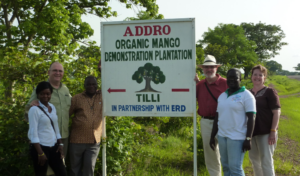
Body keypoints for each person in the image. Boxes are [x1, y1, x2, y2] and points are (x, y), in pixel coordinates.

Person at [26, 62, 71, 175]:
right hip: (43, 141)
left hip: (62, 136)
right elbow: (29, 110)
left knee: (60, 167)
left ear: (63, 73)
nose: (57, 73)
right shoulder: (41, 88)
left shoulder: (65, 89)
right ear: (49, 72)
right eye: (55, 70)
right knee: (47, 171)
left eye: (60, 71)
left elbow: (71, 107)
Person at [210, 68, 256, 176]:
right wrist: (212, 136)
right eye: (229, 77)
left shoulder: (247, 95)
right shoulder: (222, 96)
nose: (232, 80)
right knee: (226, 167)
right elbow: (217, 117)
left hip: (237, 138)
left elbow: (252, 117)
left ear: (240, 78)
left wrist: (248, 138)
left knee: (235, 168)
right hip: (222, 136)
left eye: (235, 77)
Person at [194, 55, 227, 176]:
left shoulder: (226, 84)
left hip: (224, 122)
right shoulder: (200, 85)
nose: (209, 69)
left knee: (227, 152)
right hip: (206, 122)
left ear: (216, 68)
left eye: (212, 67)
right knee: (210, 153)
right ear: (203, 69)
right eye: (206, 67)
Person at [248, 65, 281, 176]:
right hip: (252, 134)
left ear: (264, 77)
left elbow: (276, 112)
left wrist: (273, 131)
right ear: (251, 76)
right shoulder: (247, 93)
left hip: (266, 133)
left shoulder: (269, 92)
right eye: (255, 74)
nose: (257, 77)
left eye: (260, 75)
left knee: (266, 161)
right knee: (255, 162)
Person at [69, 76, 103, 176]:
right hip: (76, 140)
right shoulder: (76, 98)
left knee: (89, 169)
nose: (91, 86)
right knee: (75, 169)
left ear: (97, 85)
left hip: (94, 141)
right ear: (84, 85)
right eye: (88, 84)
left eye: (93, 84)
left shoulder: (102, 96)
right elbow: (67, 114)